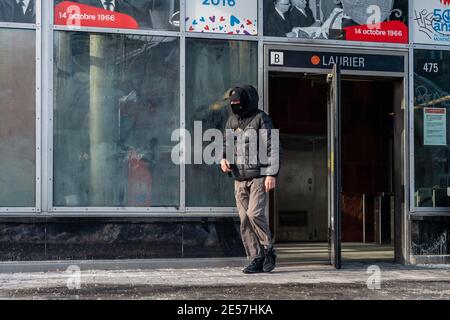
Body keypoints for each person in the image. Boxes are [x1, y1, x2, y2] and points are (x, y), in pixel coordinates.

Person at [221, 85, 280, 274]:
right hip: (239, 178)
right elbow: (227, 145)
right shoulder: (232, 121)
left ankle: (268, 249)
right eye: (232, 103)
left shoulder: (261, 119)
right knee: (245, 220)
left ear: (246, 100)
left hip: (258, 177)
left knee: (254, 214)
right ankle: (256, 258)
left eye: (237, 102)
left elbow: (272, 146)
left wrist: (271, 173)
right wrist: (223, 158)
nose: (234, 105)